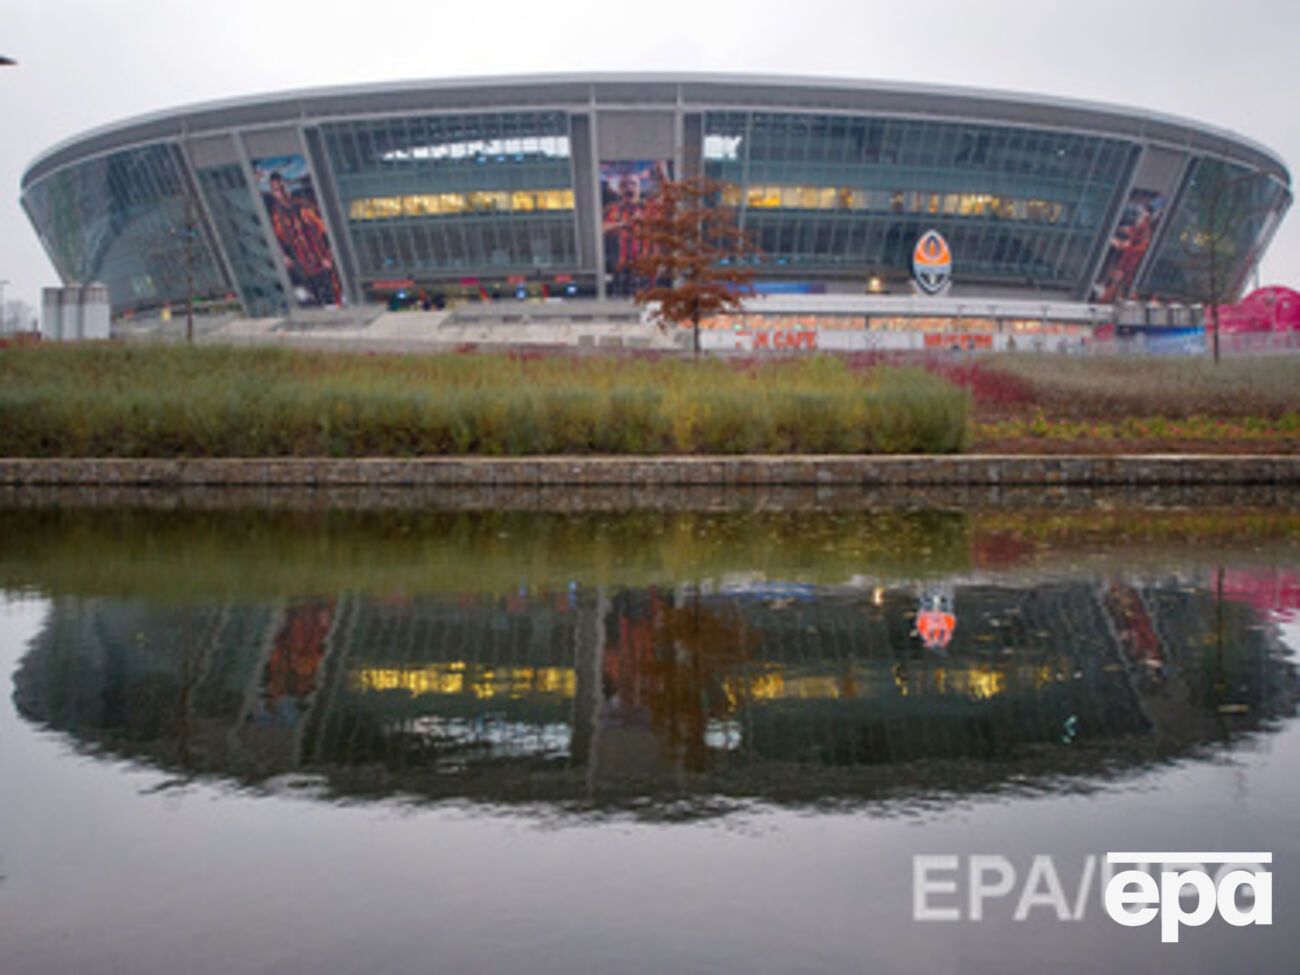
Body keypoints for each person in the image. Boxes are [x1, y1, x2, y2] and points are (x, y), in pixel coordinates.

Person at [264, 171, 342, 307]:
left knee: (333, 296)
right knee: (312, 299)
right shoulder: (277, 216)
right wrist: (284, 256)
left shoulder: (304, 206)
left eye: (282, 188)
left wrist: (328, 256)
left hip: (321, 259)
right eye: (276, 190)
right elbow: (278, 240)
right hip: (302, 266)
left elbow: (324, 231)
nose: (281, 193)